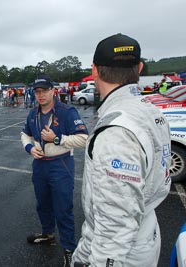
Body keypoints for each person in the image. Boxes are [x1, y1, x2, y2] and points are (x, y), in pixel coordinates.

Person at [72, 33, 171, 266]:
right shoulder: (151, 110)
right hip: (145, 230)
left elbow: (116, 225)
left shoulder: (116, 132)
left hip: (125, 251)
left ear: (94, 70)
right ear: (139, 67)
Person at [20, 74, 88, 267]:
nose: (40, 95)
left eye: (44, 91)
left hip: (61, 164)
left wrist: (57, 139)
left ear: (53, 91)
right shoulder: (33, 113)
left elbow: (84, 138)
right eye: (37, 91)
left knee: (63, 208)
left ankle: (69, 249)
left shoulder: (67, 112)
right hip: (40, 165)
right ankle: (48, 234)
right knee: (43, 203)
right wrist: (29, 148)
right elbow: (25, 133)